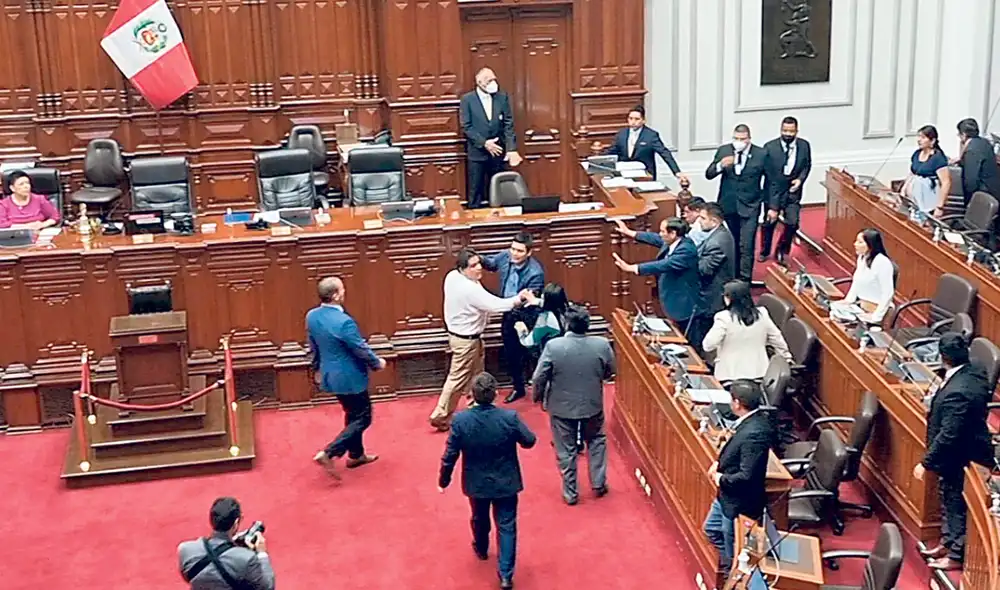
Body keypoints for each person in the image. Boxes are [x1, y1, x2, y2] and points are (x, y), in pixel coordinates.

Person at [439, 372, 537, 590]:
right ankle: (506, 575)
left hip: (477, 482)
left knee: (479, 517)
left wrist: (443, 480)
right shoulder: (509, 418)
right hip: (506, 481)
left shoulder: (461, 420)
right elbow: (529, 441)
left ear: (472, 395)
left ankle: (481, 547)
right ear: (495, 394)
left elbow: (450, 454)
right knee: (507, 526)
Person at [429, 249, 537, 431]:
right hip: (466, 342)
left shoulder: (452, 276)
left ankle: (476, 407)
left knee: (476, 375)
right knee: (457, 379)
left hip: (467, 338)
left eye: (479, 263)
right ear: (463, 269)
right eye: (473, 266)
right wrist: (520, 297)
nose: (479, 268)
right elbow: (497, 305)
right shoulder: (469, 289)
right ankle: (439, 415)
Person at [914, 333, 993, 571]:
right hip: (966, 449)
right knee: (947, 497)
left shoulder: (958, 393)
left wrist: (926, 463)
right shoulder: (976, 370)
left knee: (956, 503)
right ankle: (948, 542)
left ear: (943, 357)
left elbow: (949, 434)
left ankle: (956, 555)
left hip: (962, 456)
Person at [531, 305, 615, 505]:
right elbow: (610, 370)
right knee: (596, 440)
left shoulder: (554, 346)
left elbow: (539, 377)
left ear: (566, 324)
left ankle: (570, 492)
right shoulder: (602, 344)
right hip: (592, 404)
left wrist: (538, 397)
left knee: (565, 450)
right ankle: (598, 483)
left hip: (561, 407)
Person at [308, 277, 385, 477]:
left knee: (352, 414)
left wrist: (316, 369)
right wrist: (377, 363)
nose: (345, 292)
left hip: (330, 375)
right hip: (350, 377)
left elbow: (313, 347)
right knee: (364, 417)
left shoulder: (312, 316)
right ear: (335, 295)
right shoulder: (344, 322)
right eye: (342, 289)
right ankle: (330, 452)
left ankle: (356, 455)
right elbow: (359, 348)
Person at [704, 380, 772, 583]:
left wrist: (720, 478)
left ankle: (731, 579)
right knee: (711, 529)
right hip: (726, 497)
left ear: (737, 403)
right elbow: (735, 451)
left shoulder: (755, 433)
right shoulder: (749, 422)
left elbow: (746, 476)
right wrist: (719, 463)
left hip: (738, 502)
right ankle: (728, 570)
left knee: (734, 546)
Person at [482, 232, 545, 404]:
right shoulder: (505, 256)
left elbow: (528, 300)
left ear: (529, 252)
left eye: (519, 251)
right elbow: (491, 264)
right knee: (511, 353)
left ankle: (541, 388)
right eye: (513, 249)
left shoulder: (535, 273)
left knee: (533, 353)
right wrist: (475, 258)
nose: (514, 254)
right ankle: (518, 387)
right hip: (508, 314)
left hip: (526, 316)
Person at [611, 217, 700, 326]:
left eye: (662, 231)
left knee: (682, 331)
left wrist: (633, 268)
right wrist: (630, 232)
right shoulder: (675, 241)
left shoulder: (686, 250)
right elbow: (655, 238)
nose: (660, 234)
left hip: (683, 303)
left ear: (673, 233)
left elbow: (665, 264)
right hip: (672, 298)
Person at [706, 124, 767, 281]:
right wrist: (721, 165)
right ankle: (732, 277)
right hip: (728, 205)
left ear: (749, 139)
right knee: (731, 243)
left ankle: (744, 281)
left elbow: (770, 180)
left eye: (742, 139)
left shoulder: (761, 154)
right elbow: (709, 174)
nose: (739, 142)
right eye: (736, 138)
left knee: (746, 245)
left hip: (750, 205)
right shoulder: (724, 151)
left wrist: (771, 206)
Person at [702, 280, 791, 383]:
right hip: (759, 374)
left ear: (729, 299)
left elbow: (708, 345)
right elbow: (777, 339)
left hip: (730, 376)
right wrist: (786, 358)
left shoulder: (723, 318)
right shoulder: (763, 314)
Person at [178, 497, 275, 590]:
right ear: (236, 523)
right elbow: (267, 587)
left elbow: (189, 577)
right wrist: (262, 553)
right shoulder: (247, 558)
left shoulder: (185, 549)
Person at [460, 67, 522, 208]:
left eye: (494, 79)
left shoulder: (502, 97)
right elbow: (466, 127)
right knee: (475, 191)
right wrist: (484, 143)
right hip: (477, 153)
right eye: (489, 81)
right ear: (479, 82)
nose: (493, 83)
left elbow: (508, 124)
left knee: (498, 191)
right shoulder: (467, 99)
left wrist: (511, 149)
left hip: (498, 152)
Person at [760, 116, 812, 266]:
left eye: (791, 131)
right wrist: (773, 207)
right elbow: (769, 177)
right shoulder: (770, 147)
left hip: (792, 192)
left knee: (792, 223)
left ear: (797, 131)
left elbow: (807, 165)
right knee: (769, 222)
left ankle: (781, 250)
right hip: (773, 191)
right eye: (785, 131)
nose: (788, 134)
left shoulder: (804, 145)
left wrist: (800, 179)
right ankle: (764, 251)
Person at [690, 202, 736, 354]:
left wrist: (685, 262)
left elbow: (703, 269)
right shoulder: (717, 234)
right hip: (710, 293)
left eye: (703, 218)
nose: (699, 221)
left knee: (704, 337)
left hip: (712, 296)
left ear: (714, 221)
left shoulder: (717, 242)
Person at [603, 105, 689, 184]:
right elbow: (611, 151)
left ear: (643, 120)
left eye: (637, 119)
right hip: (624, 174)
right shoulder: (622, 134)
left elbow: (664, 153)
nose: (633, 122)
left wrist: (677, 172)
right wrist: (597, 160)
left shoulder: (651, 135)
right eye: (630, 118)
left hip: (645, 175)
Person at [836, 229, 895, 324]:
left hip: (877, 310)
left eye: (860, 242)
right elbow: (857, 281)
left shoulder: (882, 263)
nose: (855, 244)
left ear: (870, 245)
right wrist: (848, 300)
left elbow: (888, 293)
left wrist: (876, 317)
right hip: (862, 306)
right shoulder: (862, 257)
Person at [903, 125, 951, 220]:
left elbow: (946, 182)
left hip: (928, 201)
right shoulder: (917, 154)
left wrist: (940, 207)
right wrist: (904, 189)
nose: (919, 140)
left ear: (932, 141)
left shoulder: (938, 158)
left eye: (923, 137)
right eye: (918, 136)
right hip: (913, 202)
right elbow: (912, 173)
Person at [955, 118, 1000, 204]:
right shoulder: (984, 142)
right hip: (995, 192)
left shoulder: (972, 150)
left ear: (963, 134)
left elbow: (971, 181)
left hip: (984, 196)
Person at [514, 282, 568, 352]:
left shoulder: (545, 319)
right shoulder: (569, 311)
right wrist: (534, 300)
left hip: (552, 354)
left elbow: (528, 343)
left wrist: (522, 331)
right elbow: (549, 303)